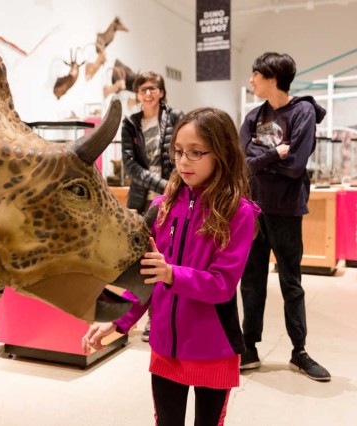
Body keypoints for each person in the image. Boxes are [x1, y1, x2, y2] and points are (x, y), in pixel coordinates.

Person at [83, 107, 259, 426]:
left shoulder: (239, 212)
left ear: (221, 153)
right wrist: (119, 320)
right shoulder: (160, 207)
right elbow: (147, 278)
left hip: (214, 348)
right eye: (178, 152)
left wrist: (171, 273)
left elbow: (221, 285)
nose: (183, 161)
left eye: (195, 152)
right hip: (165, 348)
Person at [238, 52, 331, 382]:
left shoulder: (303, 111)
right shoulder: (253, 116)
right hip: (253, 210)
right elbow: (242, 163)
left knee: (291, 282)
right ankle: (248, 347)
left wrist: (261, 159)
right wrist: (273, 153)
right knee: (251, 282)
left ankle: (299, 351)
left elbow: (295, 166)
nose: (251, 80)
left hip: (287, 211)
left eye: (255, 74)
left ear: (272, 77)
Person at [120, 71, 184, 342]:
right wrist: (160, 184)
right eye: (143, 89)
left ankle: (158, 317)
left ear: (161, 91)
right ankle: (136, 315)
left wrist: (171, 188)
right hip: (141, 200)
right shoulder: (130, 123)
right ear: (136, 93)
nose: (148, 93)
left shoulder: (176, 117)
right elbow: (130, 165)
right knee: (141, 258)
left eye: (153, 88)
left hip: (172, 198)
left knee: (167, 257)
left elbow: (181, 153)